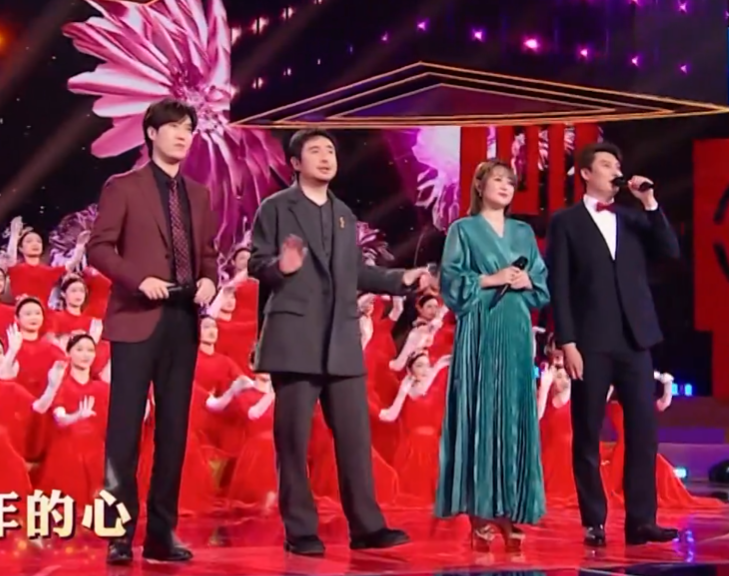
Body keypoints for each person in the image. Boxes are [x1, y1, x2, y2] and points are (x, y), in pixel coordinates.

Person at [249, 128, 429, 556]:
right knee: (294, 441)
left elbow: (356, 273)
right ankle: (300, 530)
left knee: (354, 439)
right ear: (296, 163)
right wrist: (280, 266)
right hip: (295, 338)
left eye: (330, 150)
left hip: (342, 341)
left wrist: (400, 279)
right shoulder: (275, 208)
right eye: (315, 151)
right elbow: (257, 262)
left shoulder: (344, 214)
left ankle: (367, 526)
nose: (326, 156)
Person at [87, 98, 219, 565]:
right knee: (124, 431)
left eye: (189, 129)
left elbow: (208, 253)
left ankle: (162, 533)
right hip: (136, 317)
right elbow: (99, 248)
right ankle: (118, 533)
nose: (183, 135)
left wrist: (210, 279)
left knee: (173, 431)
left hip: (183, 321)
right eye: (174, 127)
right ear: (151, 133)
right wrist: (137, 279)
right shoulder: (123, 187)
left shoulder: (199, 194)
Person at [545, 141, 680, 547]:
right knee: (587, 431)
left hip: (636, 338)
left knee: (642, 430)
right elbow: (559, 284)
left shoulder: (633, 218)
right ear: (586, 173)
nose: (615, 170)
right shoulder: (566, 222)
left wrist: (650, 203)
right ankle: (594, 520)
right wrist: (567, 340)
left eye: (617, 164)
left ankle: (642, 521)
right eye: (606, 164)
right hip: (590, 339)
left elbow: (670, 251)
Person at [435, 159, 550, 552]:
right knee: (480, 409)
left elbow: (541, 283)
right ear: (479, 186)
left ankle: (512, 510)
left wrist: (526, 280)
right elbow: (451, 281)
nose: (504, 186)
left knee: (513, 413)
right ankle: (481, 513)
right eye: (497, 180)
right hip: (480, 327)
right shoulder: (463, 230)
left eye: (510, 182)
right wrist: (491, 278)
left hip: (515, 328)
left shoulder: (523, 232)